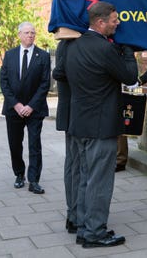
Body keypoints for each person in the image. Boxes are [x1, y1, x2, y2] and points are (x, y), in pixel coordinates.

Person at [64, 1, 137, 248]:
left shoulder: (74, 47)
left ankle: (85, 228)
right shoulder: (104, 49)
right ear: (100, 22)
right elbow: (130, 76)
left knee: (85, 179)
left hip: (80, 124)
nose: (118, 23)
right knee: (100, 182)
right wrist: (127, 49)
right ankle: (95, 233)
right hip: (101, 127)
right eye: (114, 19)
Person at [0, 22, 51, 195]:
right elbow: (4, 83)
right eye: (27, 32)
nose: (31, 35)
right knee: (15, 144)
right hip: (13, 109)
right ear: (19, 34)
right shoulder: (10, 55)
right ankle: (19, 174)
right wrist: (17, 104)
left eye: (33, 33)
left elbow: (45, 84)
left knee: (34, 144)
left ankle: (34, 180)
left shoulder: (43, 56)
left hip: (34, 110)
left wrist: (30, 106)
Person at [52, 33, 80, 233]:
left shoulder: (65, 44)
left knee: (73, 163)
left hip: (72, 112)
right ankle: (74, 214)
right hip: (75, 113)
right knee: (75, 164)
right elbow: (59, 73)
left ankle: (73, 213)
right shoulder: (70, 44)